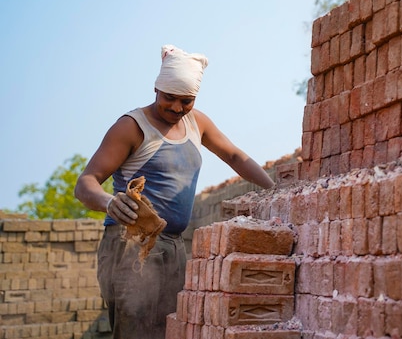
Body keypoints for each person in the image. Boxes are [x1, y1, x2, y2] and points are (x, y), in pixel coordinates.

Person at [74, 44, 275, 339]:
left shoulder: (197, 123)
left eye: (187, 101)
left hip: (173, 247)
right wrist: (108, 202)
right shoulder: (132, 127)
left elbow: (234, 156)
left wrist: (277, 189)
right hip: (131, 245)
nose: (177, 108)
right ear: (156, 88)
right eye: (170, 98)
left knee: (173, 330)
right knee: (137, 332)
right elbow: (86, 183)